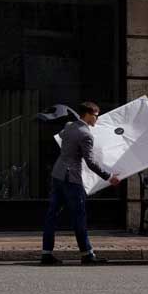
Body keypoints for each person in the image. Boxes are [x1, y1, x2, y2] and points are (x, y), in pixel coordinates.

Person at [42, 101, 120, 265]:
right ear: (88, 115)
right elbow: (90, 162)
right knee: (79, 216)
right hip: (71, 179)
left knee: (51, 215)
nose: (97, 119)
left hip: (58, 175)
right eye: (96, 115)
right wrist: (109, 177)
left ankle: (46, 254)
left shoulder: (69, 126)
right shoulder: (86, 134)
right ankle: (87, 255)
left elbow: (62, 136)